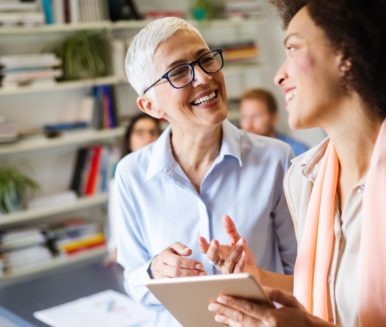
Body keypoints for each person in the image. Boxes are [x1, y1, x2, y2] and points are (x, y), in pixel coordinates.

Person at [203, 1, 386, 326]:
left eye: (292, 49)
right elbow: (334, 292)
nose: (279, 75)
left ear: (347, 54)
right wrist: (258, 278)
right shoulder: (305, 179)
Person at [115, 17, 297, 326]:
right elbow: (133, 281)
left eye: (205, 59)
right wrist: (154, 271)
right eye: (178, 72)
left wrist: (255, 277)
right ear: (150, 106)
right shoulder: (131, 175)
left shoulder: (276, 159)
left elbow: (305, 274)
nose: (203, 77)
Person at [103, 113, 161, 265]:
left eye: (153, 132)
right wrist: (115, 248)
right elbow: (116, 217)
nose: (148, 138)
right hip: (137, 257)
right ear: (129, 141)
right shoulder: (121, 178)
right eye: (140, 133)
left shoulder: (168, 174)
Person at [240, 88, 309, 156]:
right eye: (244, 116)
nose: (248, 124)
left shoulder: (298, 151)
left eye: (256, 116)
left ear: (273, 118)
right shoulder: (239, 152)